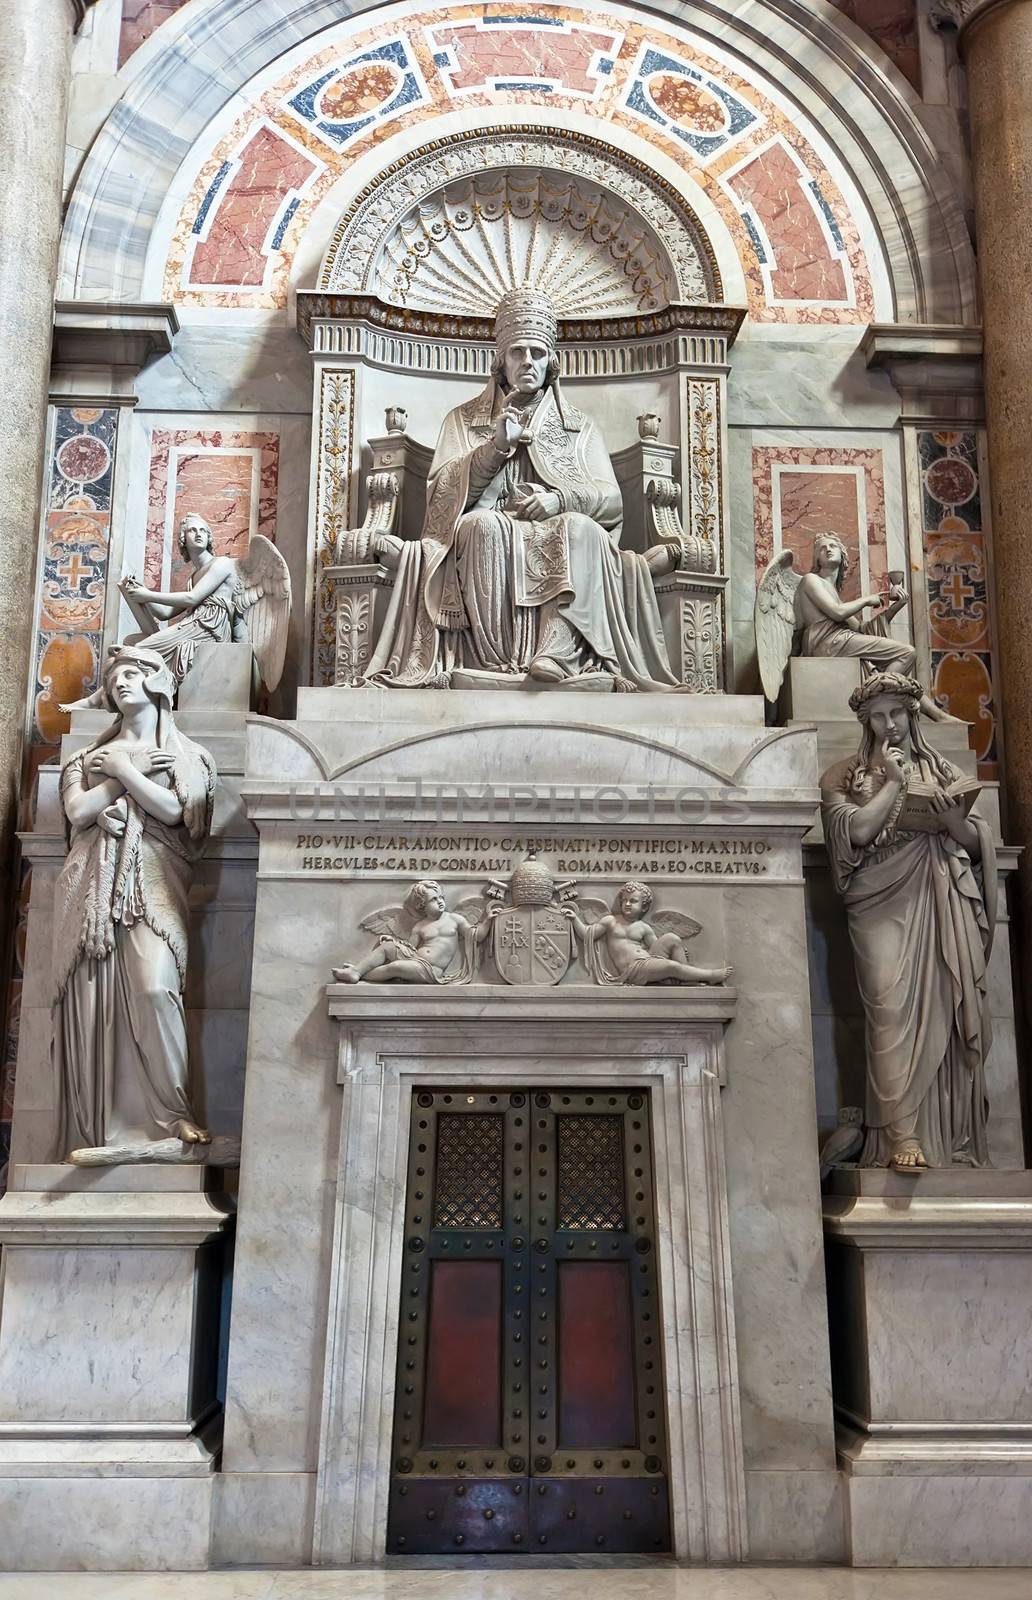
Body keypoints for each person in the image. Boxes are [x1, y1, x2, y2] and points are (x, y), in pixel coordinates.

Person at [364, 286, 682, 690]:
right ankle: (497, 661)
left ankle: (559, 653)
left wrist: (560, 499)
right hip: (492, 525)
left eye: (537, 352)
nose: (527, 361)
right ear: (501, 360)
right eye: (518, 352)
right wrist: (495, 449)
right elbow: (441, 500)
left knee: (581, 529)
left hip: (559, 524)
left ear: (552, 362)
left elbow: (612, 500)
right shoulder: (463, 421)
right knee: (480, 527)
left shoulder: (578, 426)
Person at [821, 671, 996, 1171]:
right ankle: (900, 1133)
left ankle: (941, 1137)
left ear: (911, 714)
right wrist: (893, 783)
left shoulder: (941, 771)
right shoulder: (840, 775)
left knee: (947, 999)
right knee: (889, 1012)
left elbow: (973, 844)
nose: (889, 724)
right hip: (877, 899)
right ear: (865, 723)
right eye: (877, 717)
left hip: (937, 890)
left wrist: (954, 822)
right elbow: (854, 830)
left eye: (896, 713)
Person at [53, 644, 216, 1159]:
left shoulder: (189, 755)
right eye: (115, 677)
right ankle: (99, 1129)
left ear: (159, 683)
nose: (122, 683)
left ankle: (173, 1115)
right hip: (90, 892)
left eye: (133, 674)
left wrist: (123, 771)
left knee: (154, 989)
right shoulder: (82, 758)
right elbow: (78, 811)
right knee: (95, 1002)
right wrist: (120, 780)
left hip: (154, 885)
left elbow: (174, 811)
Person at [118, 514, 240, 686]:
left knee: (138, 651)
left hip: (208, 629)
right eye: (193, 530)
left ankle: (98, 699)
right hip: (194, 625)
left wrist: (148, 595)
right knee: (130, 642)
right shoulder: (194, 577)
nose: (199, 534)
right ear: (183, 539)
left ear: (209, 538)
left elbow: (191, 598)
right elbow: (164, 614)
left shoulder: (222, 563)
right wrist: (139, 592)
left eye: (203, 531)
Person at [564, 880, 731, 985]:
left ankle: (685, 978)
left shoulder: (644, 927)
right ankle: (710, 975)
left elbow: (656, 950)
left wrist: (677, 947)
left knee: (672, 938)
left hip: (647, 961)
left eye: (633, 901)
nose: (627, 904)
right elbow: (587, 934)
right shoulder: (610, 921)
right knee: (671, 966)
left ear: (643, 906)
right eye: (625, 901)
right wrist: (574, 919)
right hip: (632, 970)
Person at [332, 880, 498, 984]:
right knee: (388, 947)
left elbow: (477, 936)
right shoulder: (420, 926)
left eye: (441, 897)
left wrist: (488, 919)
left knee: (396, 966)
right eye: (434, 899)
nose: (440, 902)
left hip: (432, 970)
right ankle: (357, 971)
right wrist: (392, 942)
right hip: (416, 960)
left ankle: (359, 973)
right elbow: (410, 949)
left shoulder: (454, 919)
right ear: (421, 905)